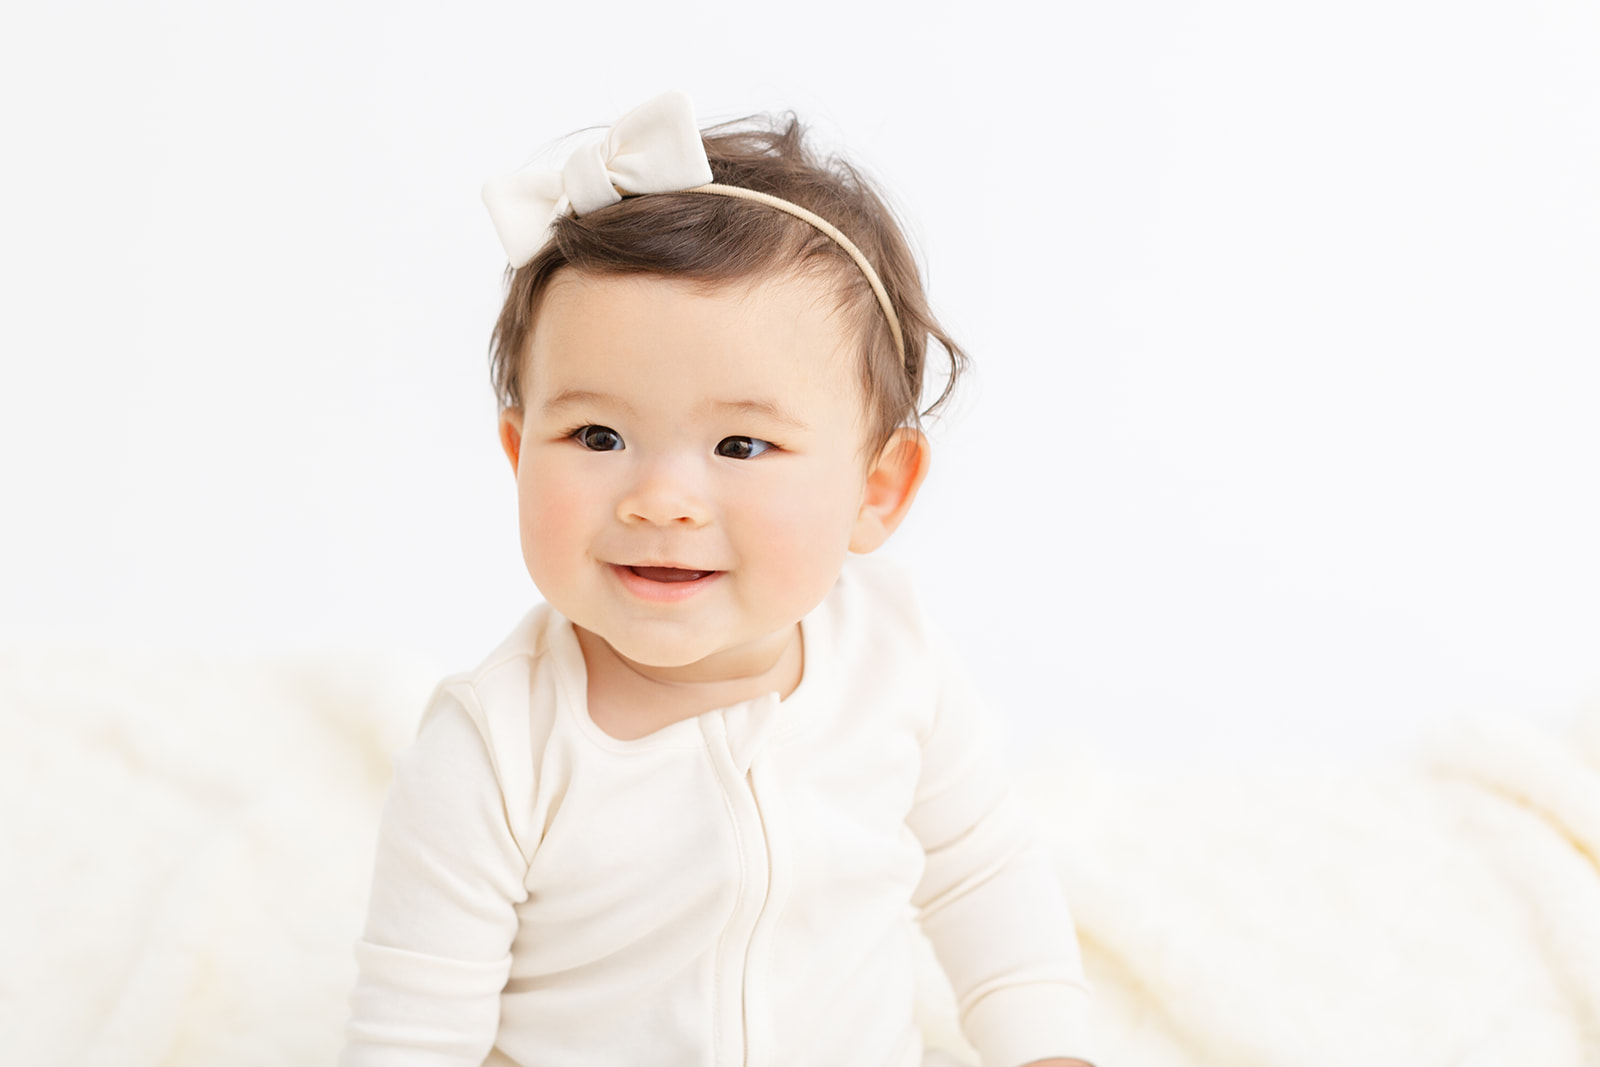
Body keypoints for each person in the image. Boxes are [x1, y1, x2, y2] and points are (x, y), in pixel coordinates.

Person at [342, 91, 1095, 1067]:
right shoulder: (495, 745)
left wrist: (1048, 1051)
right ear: (518, 450)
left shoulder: (893, 659)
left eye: (740, 443)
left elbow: (983, 877)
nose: (661, 498)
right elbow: (411, 1030)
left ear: (876, 488)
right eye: (598, 435)